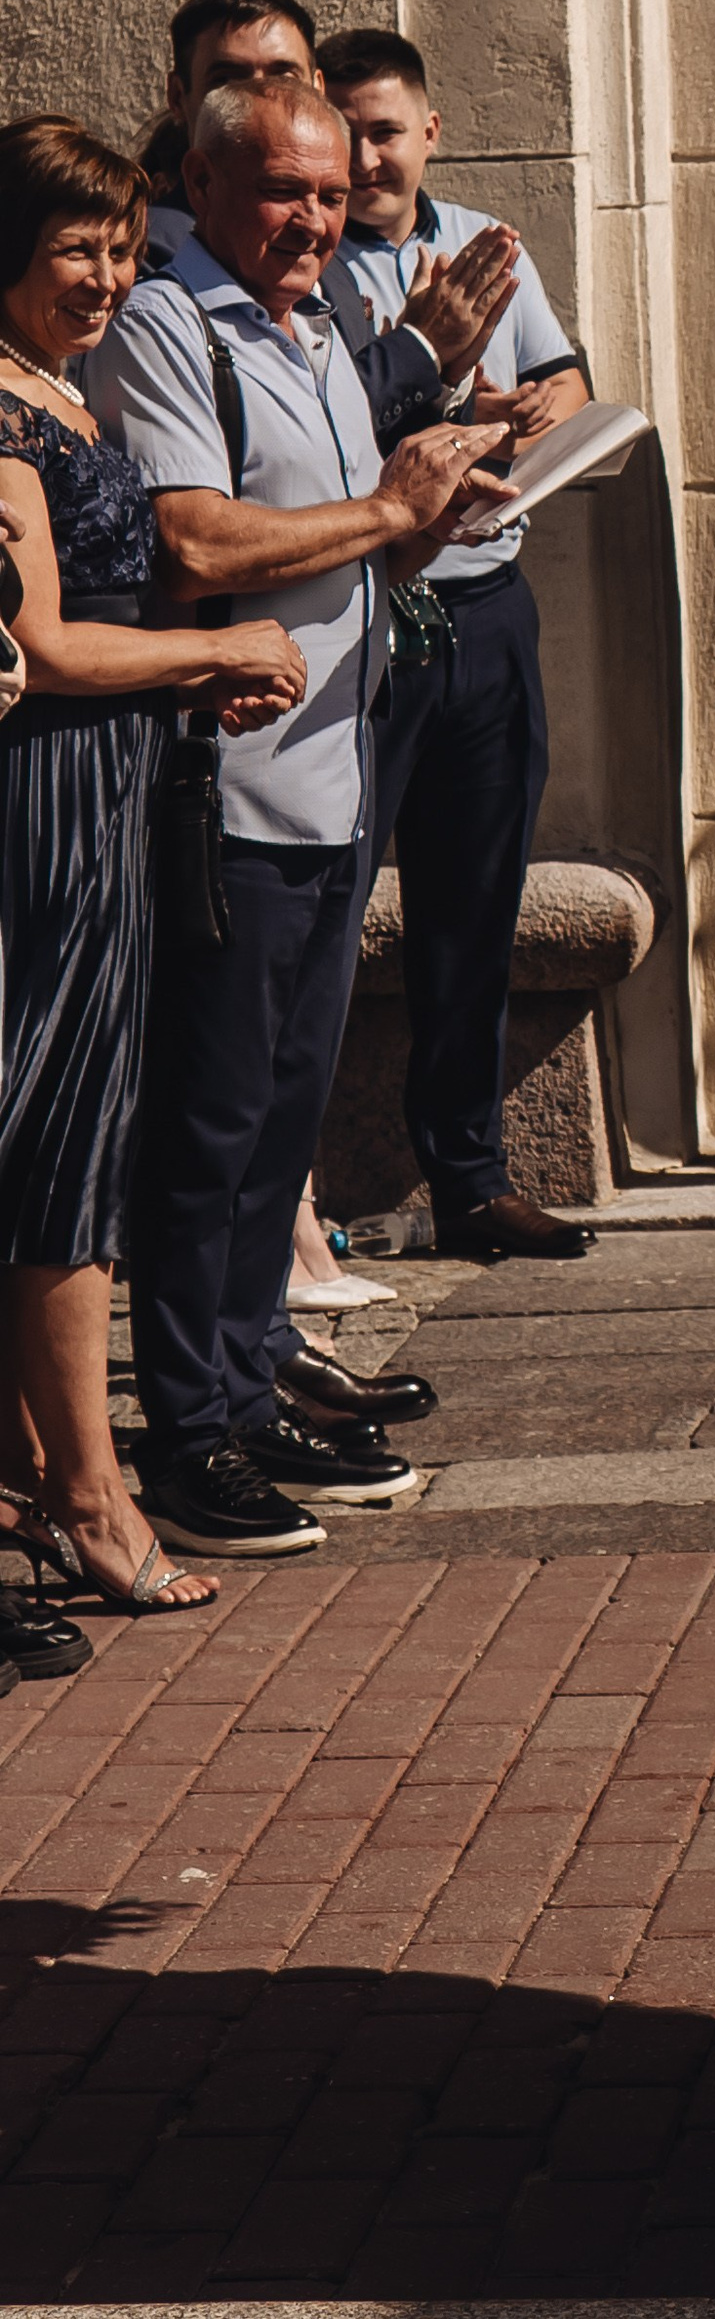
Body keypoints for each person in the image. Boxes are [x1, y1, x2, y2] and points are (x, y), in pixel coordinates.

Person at [86, 82, 508, 1558]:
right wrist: (388, 514)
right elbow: (193, 537)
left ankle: (249, 1376)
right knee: (208, 1126)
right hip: (227, 794)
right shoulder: (168, 324)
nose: (314, 221)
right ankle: (188, 1427)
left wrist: (429, 519)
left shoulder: (320, 329)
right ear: (199, 185)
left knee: (282, 1119)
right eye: (282, 191)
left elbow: (335, 549)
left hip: (335, 780)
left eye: (330, 195)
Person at [0, 121, 307, 1637]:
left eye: (125, 249)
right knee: (50, 1143)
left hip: (108, 789)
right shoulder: (2, 412)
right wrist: (211, 650)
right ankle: (90, 1496)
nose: (110, 278)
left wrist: (187, 688)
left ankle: (44, 1483)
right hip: (42, 809)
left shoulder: (60, 390)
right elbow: (45, 646)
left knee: (73, 1140)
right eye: (78, 249)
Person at [320, 28, 592, 1266]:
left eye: (387, 131)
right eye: (348, 133)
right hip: (370, 610)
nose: (367, 157)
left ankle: (471, 1178)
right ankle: (292, 1201)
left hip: (485, 610)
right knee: (324, 909)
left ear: (430, 131)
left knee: (475, 907)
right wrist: (441, 403)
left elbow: (567, 384)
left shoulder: (485, 243)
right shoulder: (302, 261)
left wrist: (529, 413)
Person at [142, 0, 518, 448]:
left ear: (318, 88)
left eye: (284, 77)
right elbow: (284, 440)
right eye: (229, 81)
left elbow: (362, 452)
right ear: (179, 97)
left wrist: (446, 380)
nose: (264, 100)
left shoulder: (329, 258)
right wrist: (420, 346)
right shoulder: (151, 253)